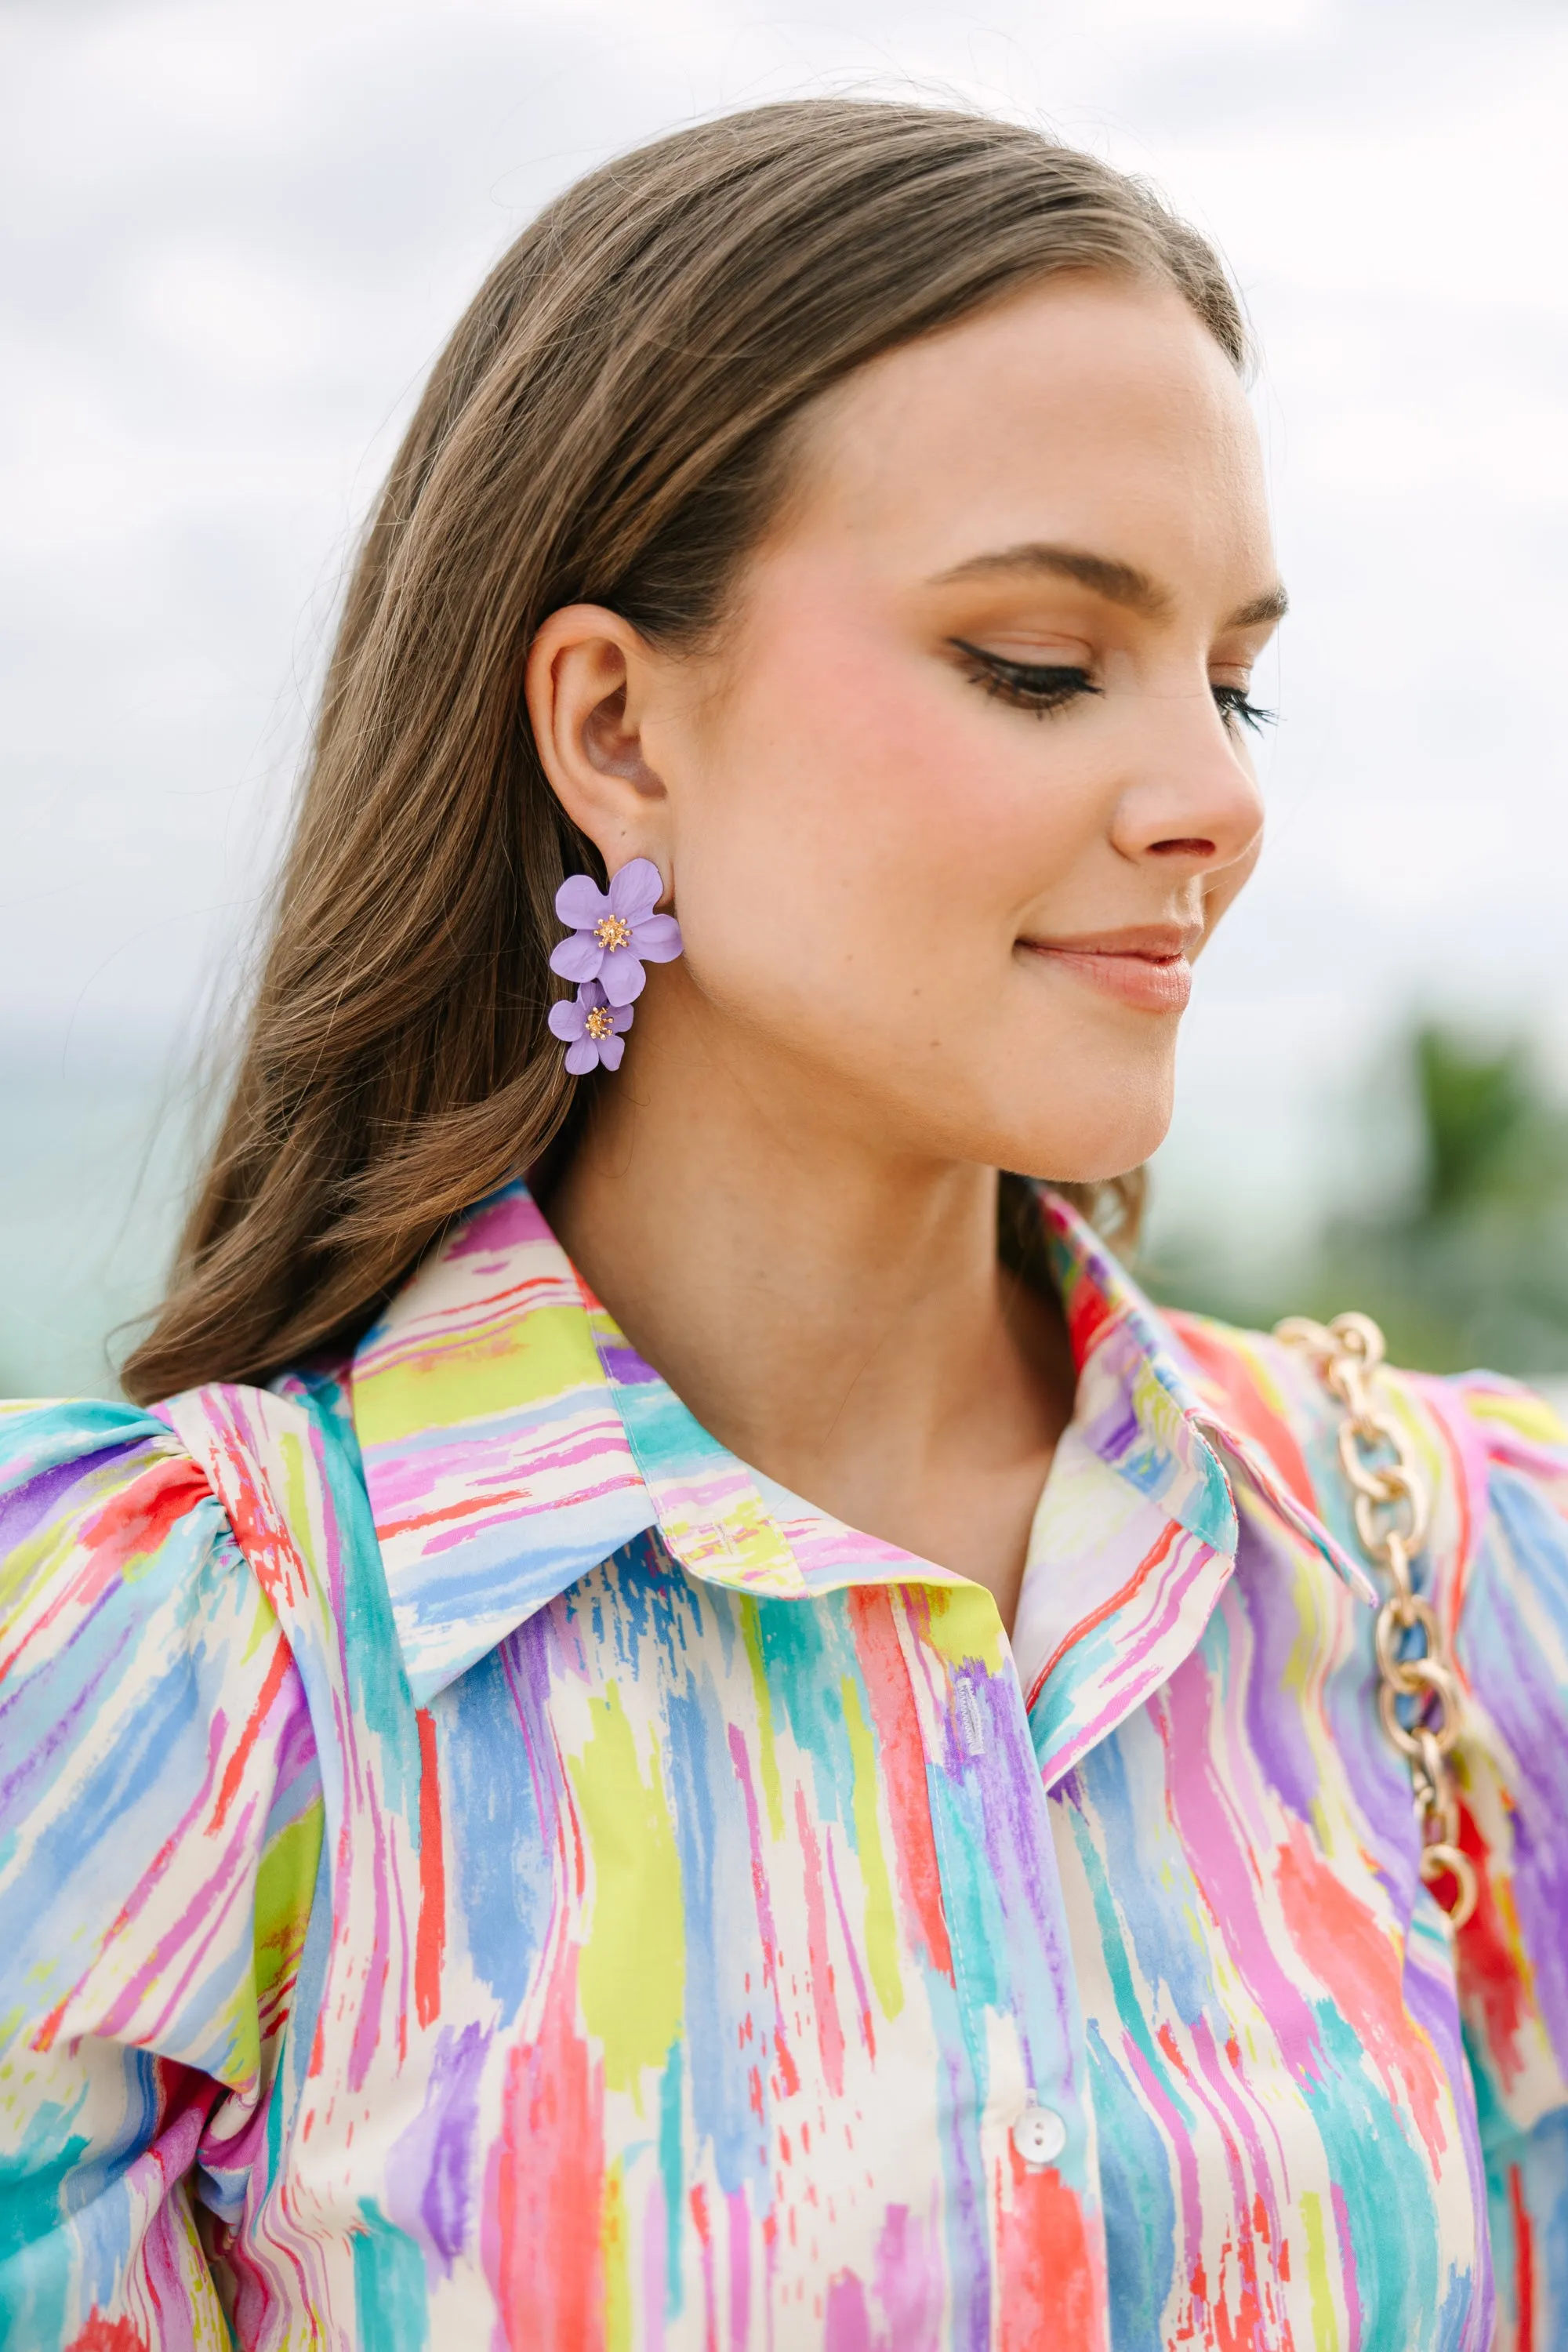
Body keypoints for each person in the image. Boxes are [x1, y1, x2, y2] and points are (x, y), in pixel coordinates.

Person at [1, 97, 1563, 2352]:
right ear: (617, 728)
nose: (1220, 796)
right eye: (1041, 661)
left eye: (1235, 679)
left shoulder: (1459, 1583)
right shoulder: (169, 1690)